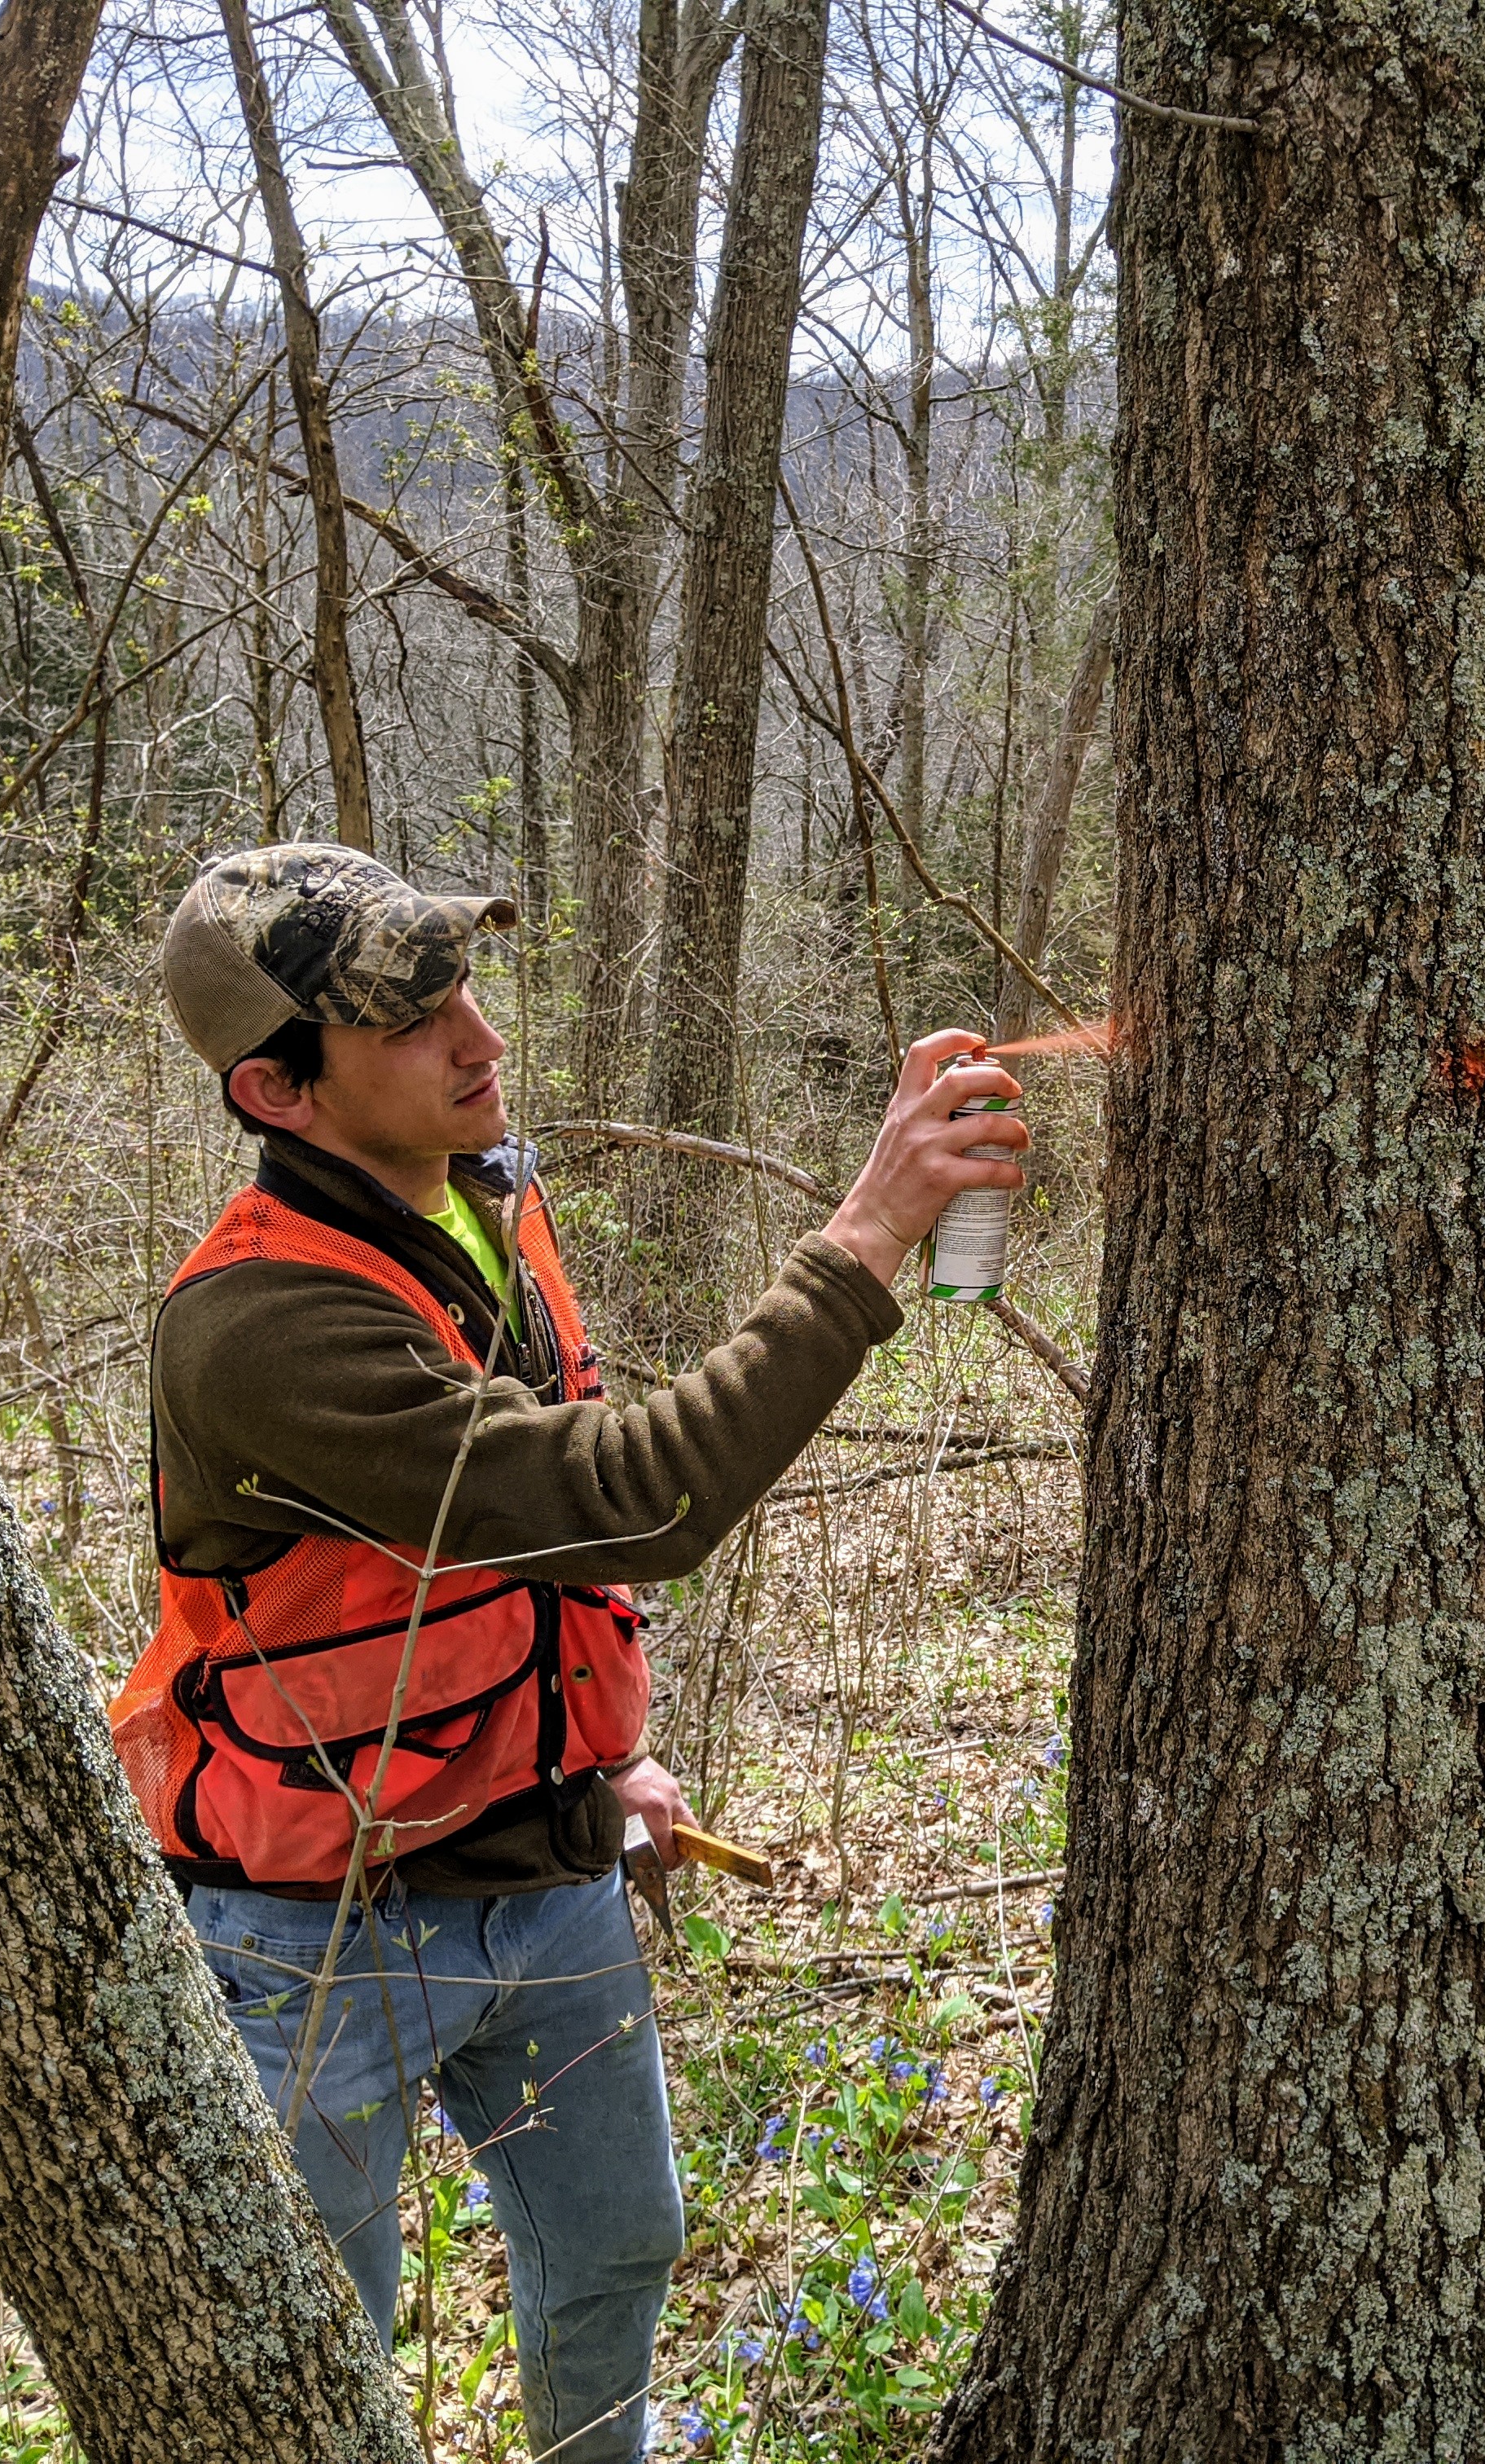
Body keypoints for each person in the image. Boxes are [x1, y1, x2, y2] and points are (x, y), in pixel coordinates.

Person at [112, 843, 1025, 2462]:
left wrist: (601, 1755)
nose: (478, 1035)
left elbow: (534, 1542)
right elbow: (623, 1500)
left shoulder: (483, 1203)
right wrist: (872, 1226)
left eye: (463, 977)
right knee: (321, 2356)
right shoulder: (256, 1327)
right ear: (279, 1089)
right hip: (322, 1935)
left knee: (615, 2247)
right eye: (411, 1018)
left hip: (554, 1873)